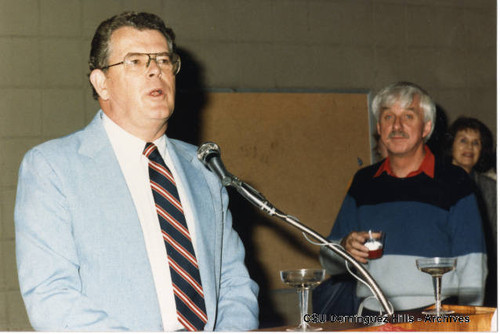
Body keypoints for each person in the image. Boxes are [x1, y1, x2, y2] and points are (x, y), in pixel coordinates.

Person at [14, 11, 258, 331]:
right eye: (135, 61)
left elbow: (235, 285)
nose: (155, 70)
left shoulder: (204, 169)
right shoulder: (52, 168)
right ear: (102, 83)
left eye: (163, 60)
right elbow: (51, 296)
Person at [320, 82, 486, 314]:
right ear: (379, 127)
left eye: (409, 116)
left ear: (426, 127)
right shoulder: (363, 182)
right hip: (372, 317)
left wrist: (470, 323)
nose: (397, 126)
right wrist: (343, 249)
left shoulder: (455, 181)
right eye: (388, 117)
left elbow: (473, 267)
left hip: (435, 316)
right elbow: (329, 262)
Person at [446, 117, 496, 307]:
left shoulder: (490, 187)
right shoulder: (435, 183)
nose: (470, 147)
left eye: (476, 143)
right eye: (463, 140)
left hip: (482, 270)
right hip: (446, 274)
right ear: (451, 145)